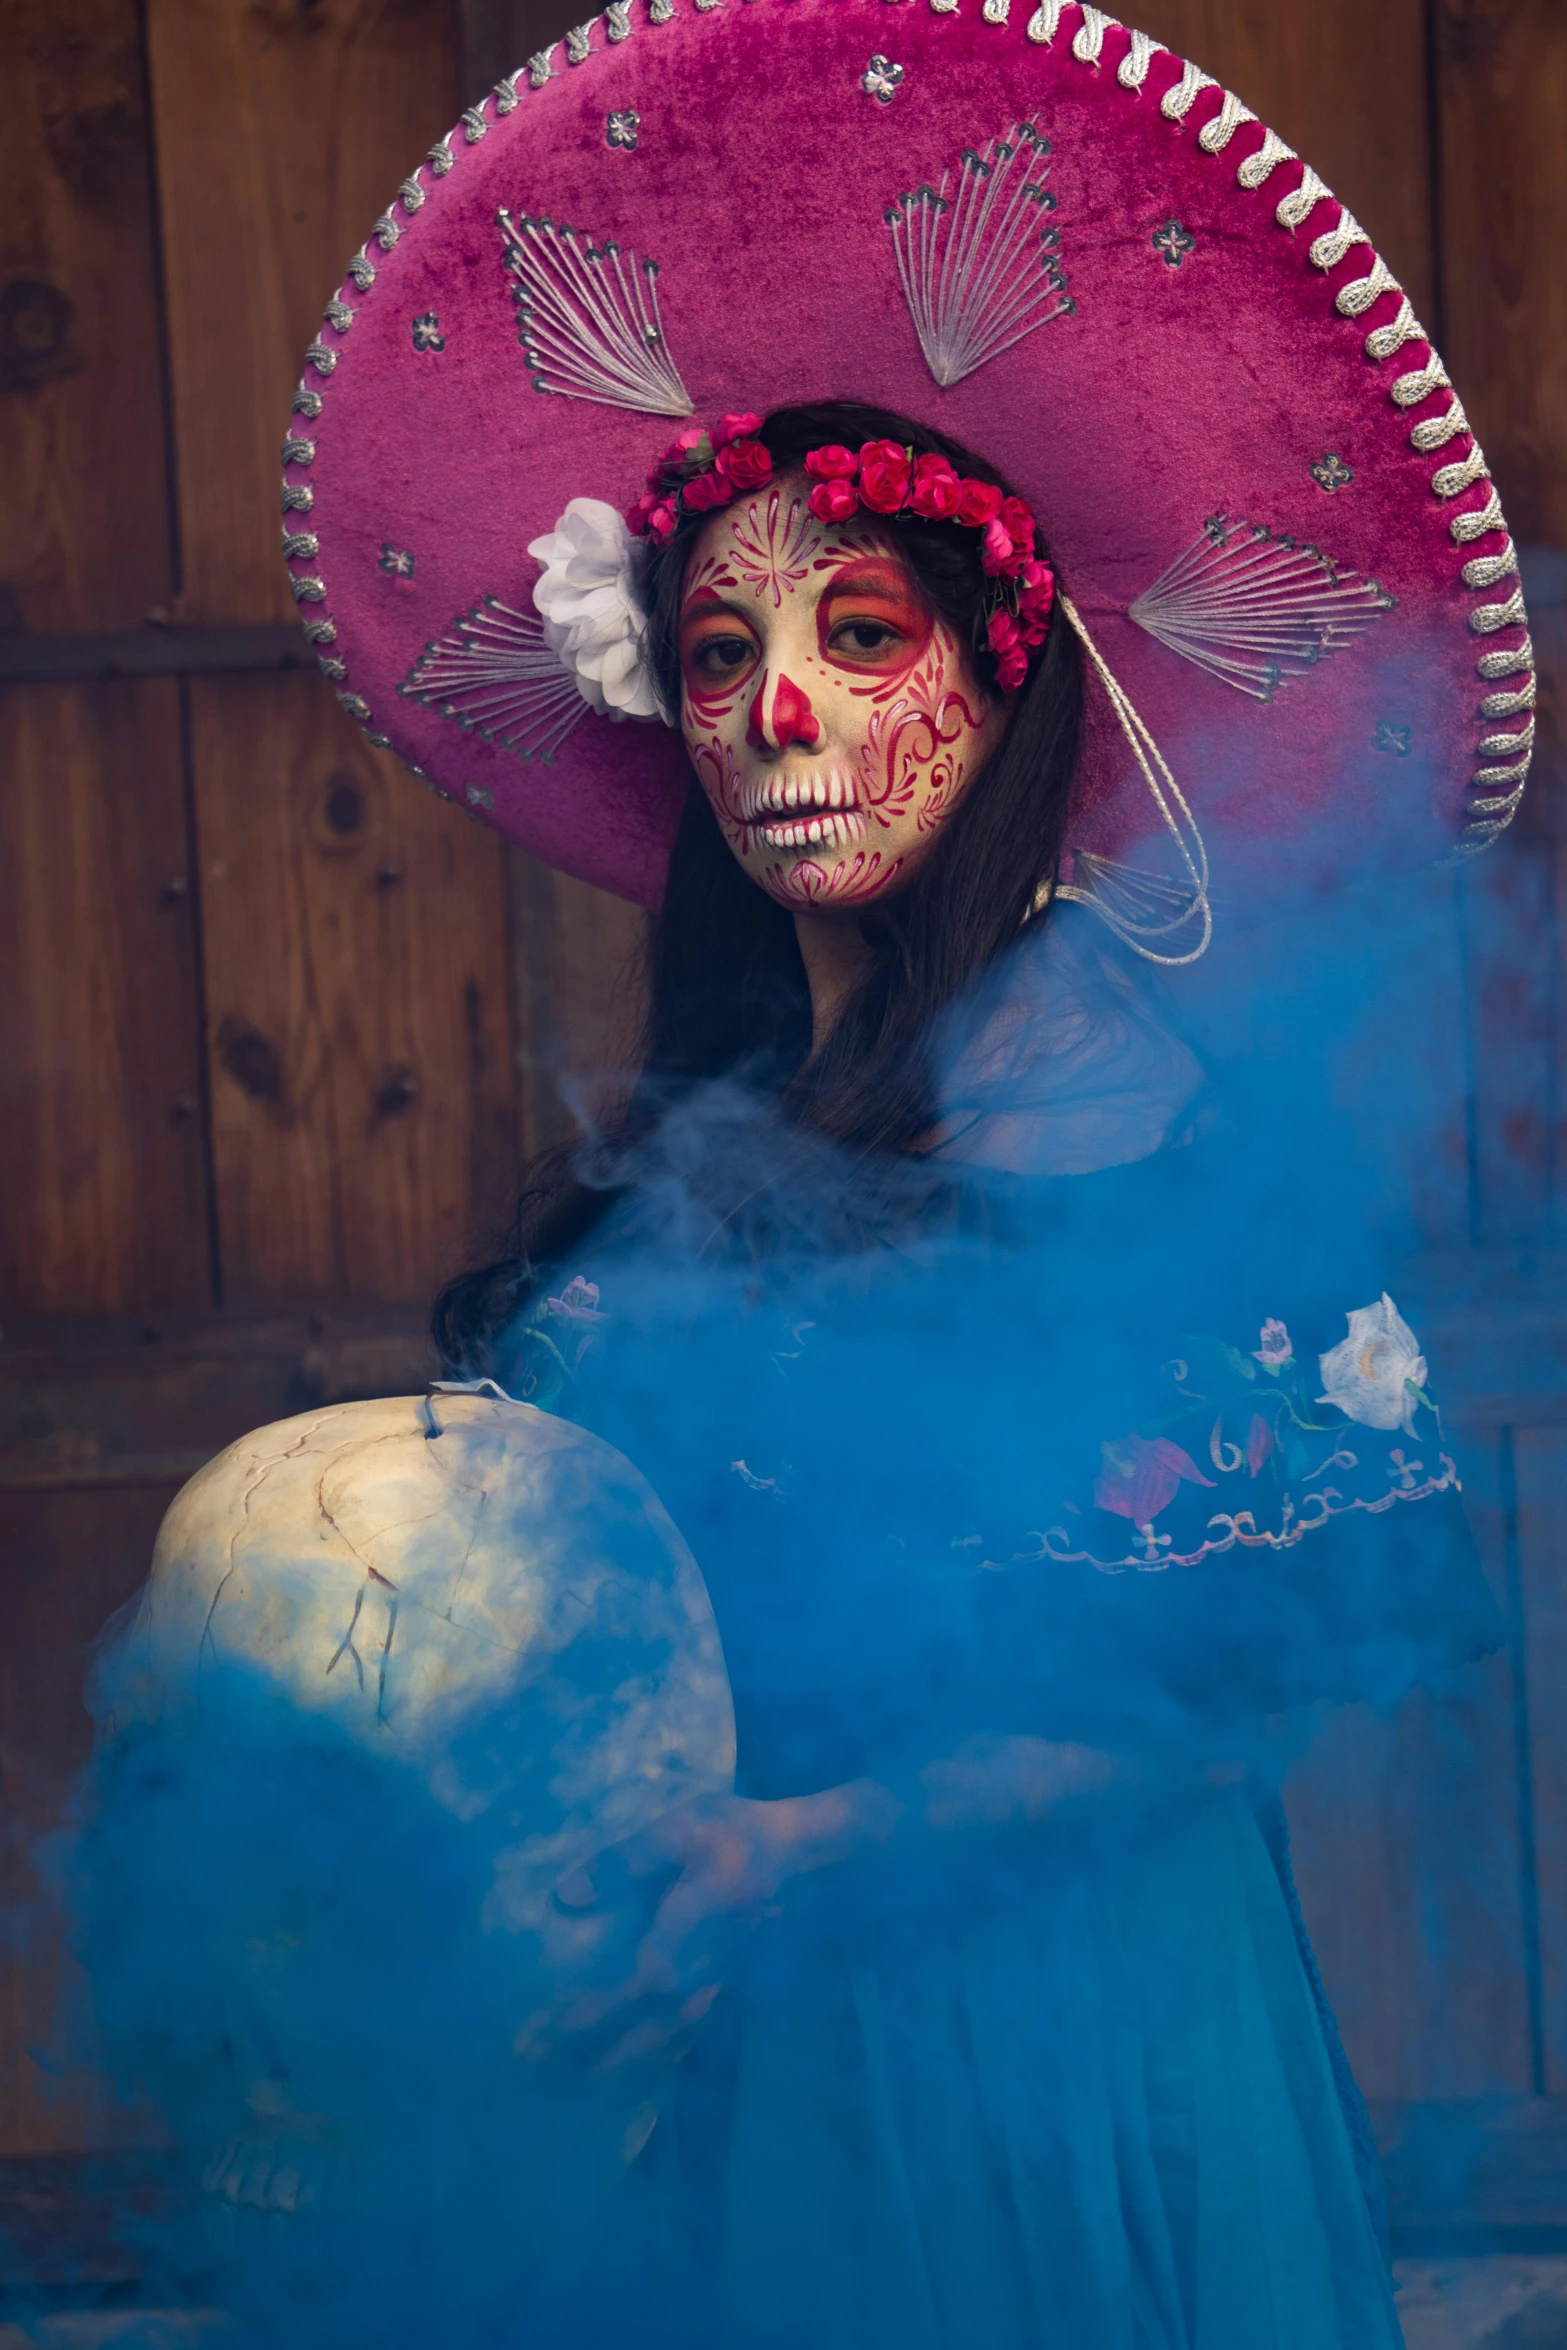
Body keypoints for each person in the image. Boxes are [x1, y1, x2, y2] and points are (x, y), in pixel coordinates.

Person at [87, 4, 1534, 2345]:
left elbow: (1232, 1679)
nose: (781, 713)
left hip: (1027, 2034)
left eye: (865, 638)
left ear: (1005, 674)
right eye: (724, 646)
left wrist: (805, 1856)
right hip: (698, 2046)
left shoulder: (1127, 1106)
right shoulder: (721, 1099)